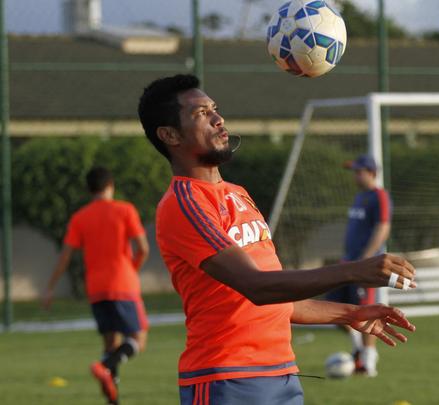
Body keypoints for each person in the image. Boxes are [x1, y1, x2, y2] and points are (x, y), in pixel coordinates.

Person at [137, 74, 416, 405]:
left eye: (215, 109)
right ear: (169, 135)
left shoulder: (237, 194)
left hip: (281, 374)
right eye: (200, 113)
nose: (218, 118)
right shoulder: (184, 203)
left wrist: (348, 313)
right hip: (227, 380)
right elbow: (257, 286)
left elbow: (278, 297)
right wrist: (355, 270)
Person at [43, 167, 150, 405]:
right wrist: (131, 269)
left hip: (96, 289)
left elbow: (65, 256)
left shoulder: (80, 217)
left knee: (111, 344)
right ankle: (105, 366)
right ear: (111, 185)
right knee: (138, 340)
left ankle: (112, 400)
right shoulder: (125, 210)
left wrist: (50, 287)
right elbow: (143, 248)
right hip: (123, 284)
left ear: (89, 189)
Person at [329, 154, 393, 377]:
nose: (355, 176)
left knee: (365, 312)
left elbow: (383, 227)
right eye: (354, 171)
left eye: (359, 171)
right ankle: (358, 348)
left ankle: (368, 362)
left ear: (372, 173)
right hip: (347, 263)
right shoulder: (359, 197)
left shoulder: (379, 196)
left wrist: (367, 257)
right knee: (335, 311)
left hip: (364, 266)